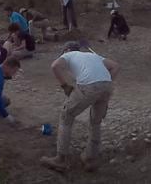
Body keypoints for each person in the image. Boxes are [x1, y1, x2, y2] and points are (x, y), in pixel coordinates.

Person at [40, 41, 120, 172]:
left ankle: (60, 159)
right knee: (96, 122)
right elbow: (116, 66)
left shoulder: (68, 55)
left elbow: (54, 66)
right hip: (107, 86)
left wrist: (65, 86)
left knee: (66, 116)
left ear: (66, 50)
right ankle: (91, 159)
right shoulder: (92, 55)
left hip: (89, 86)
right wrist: (103, 83)